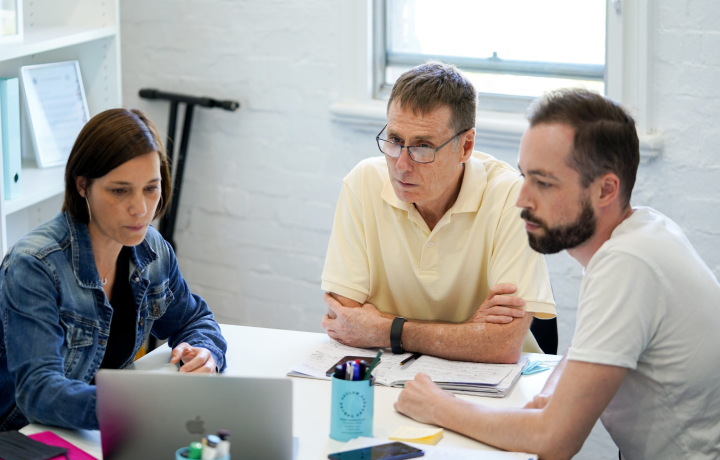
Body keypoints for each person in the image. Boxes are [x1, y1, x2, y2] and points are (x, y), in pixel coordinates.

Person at [394, 89, 720, 460]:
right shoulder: (643, 231)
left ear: (605, 190)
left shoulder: (628, 264)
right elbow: (584, 349)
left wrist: (438, 405)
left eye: (544, 183)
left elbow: (555, 442)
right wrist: (548, 397)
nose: (522, 199)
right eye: (524, 176)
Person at [0, 108, 227, 432]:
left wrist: (206, 352)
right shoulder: (36, 265)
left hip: (94, 432)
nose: (141, 208)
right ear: (83, 186)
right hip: (21, 436)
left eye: (151, 187)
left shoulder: (152, 250)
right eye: (120, 190)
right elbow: (39, 392)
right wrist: (135, 405)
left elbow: (193, 318)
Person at [320, 61, 556, 363]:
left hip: (494, 387)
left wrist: (388, 330)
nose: (402, 165)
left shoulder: (511, 197)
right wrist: (468, 333)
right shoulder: (363, 183)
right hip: (390, 376)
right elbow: (345, 320)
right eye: (394, 140)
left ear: (466, 146)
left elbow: (503, 344)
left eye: (423, 146)